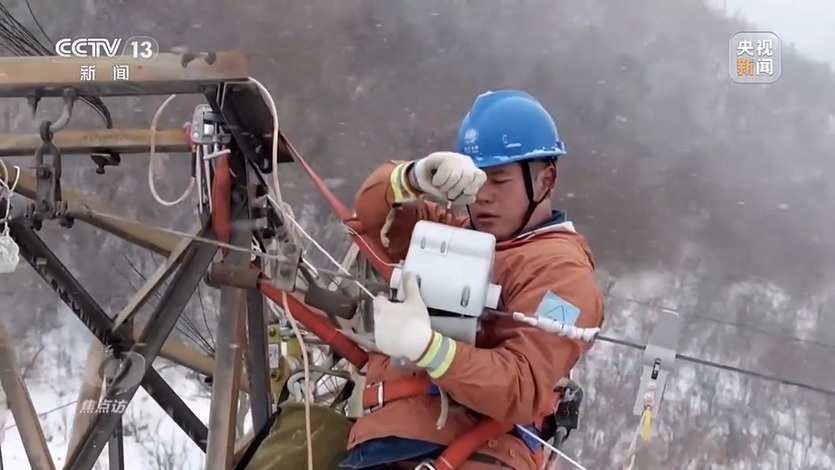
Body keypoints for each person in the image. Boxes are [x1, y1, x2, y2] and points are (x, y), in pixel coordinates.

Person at [340, 90, 606, 470]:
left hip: (473, 455)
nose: (483, 197)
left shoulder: (562, 276)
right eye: (475, 180)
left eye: (499, 181)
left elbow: (521, 386)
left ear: (545, 180)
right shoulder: (454, 233)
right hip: (385, 447)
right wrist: (413, 178)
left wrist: (426, 346)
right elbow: (370, 216)